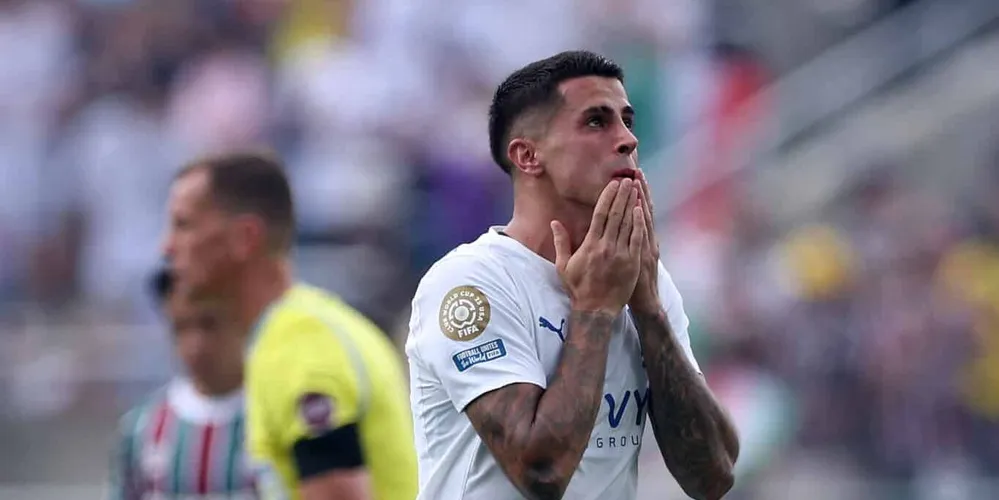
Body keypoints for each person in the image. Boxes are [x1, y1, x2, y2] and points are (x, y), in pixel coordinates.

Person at [405, 51, 740, 500]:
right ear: (528, 156)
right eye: (596, 122)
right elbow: (541, 472)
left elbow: (713, 477)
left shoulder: (644, 279)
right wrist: (595, 309)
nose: (627, 140)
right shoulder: (471, 283)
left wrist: (649, 310)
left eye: (627, 121)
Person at [160, 151, 418, 500]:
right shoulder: (296, 330)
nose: (167, 248)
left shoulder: (300, 344)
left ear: (245, 238)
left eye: (184, 225)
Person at [108, 266, 258, 499]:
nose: (195, 346)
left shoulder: (275, 413)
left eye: (209, 324)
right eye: (181, 328)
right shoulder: (140, 427)